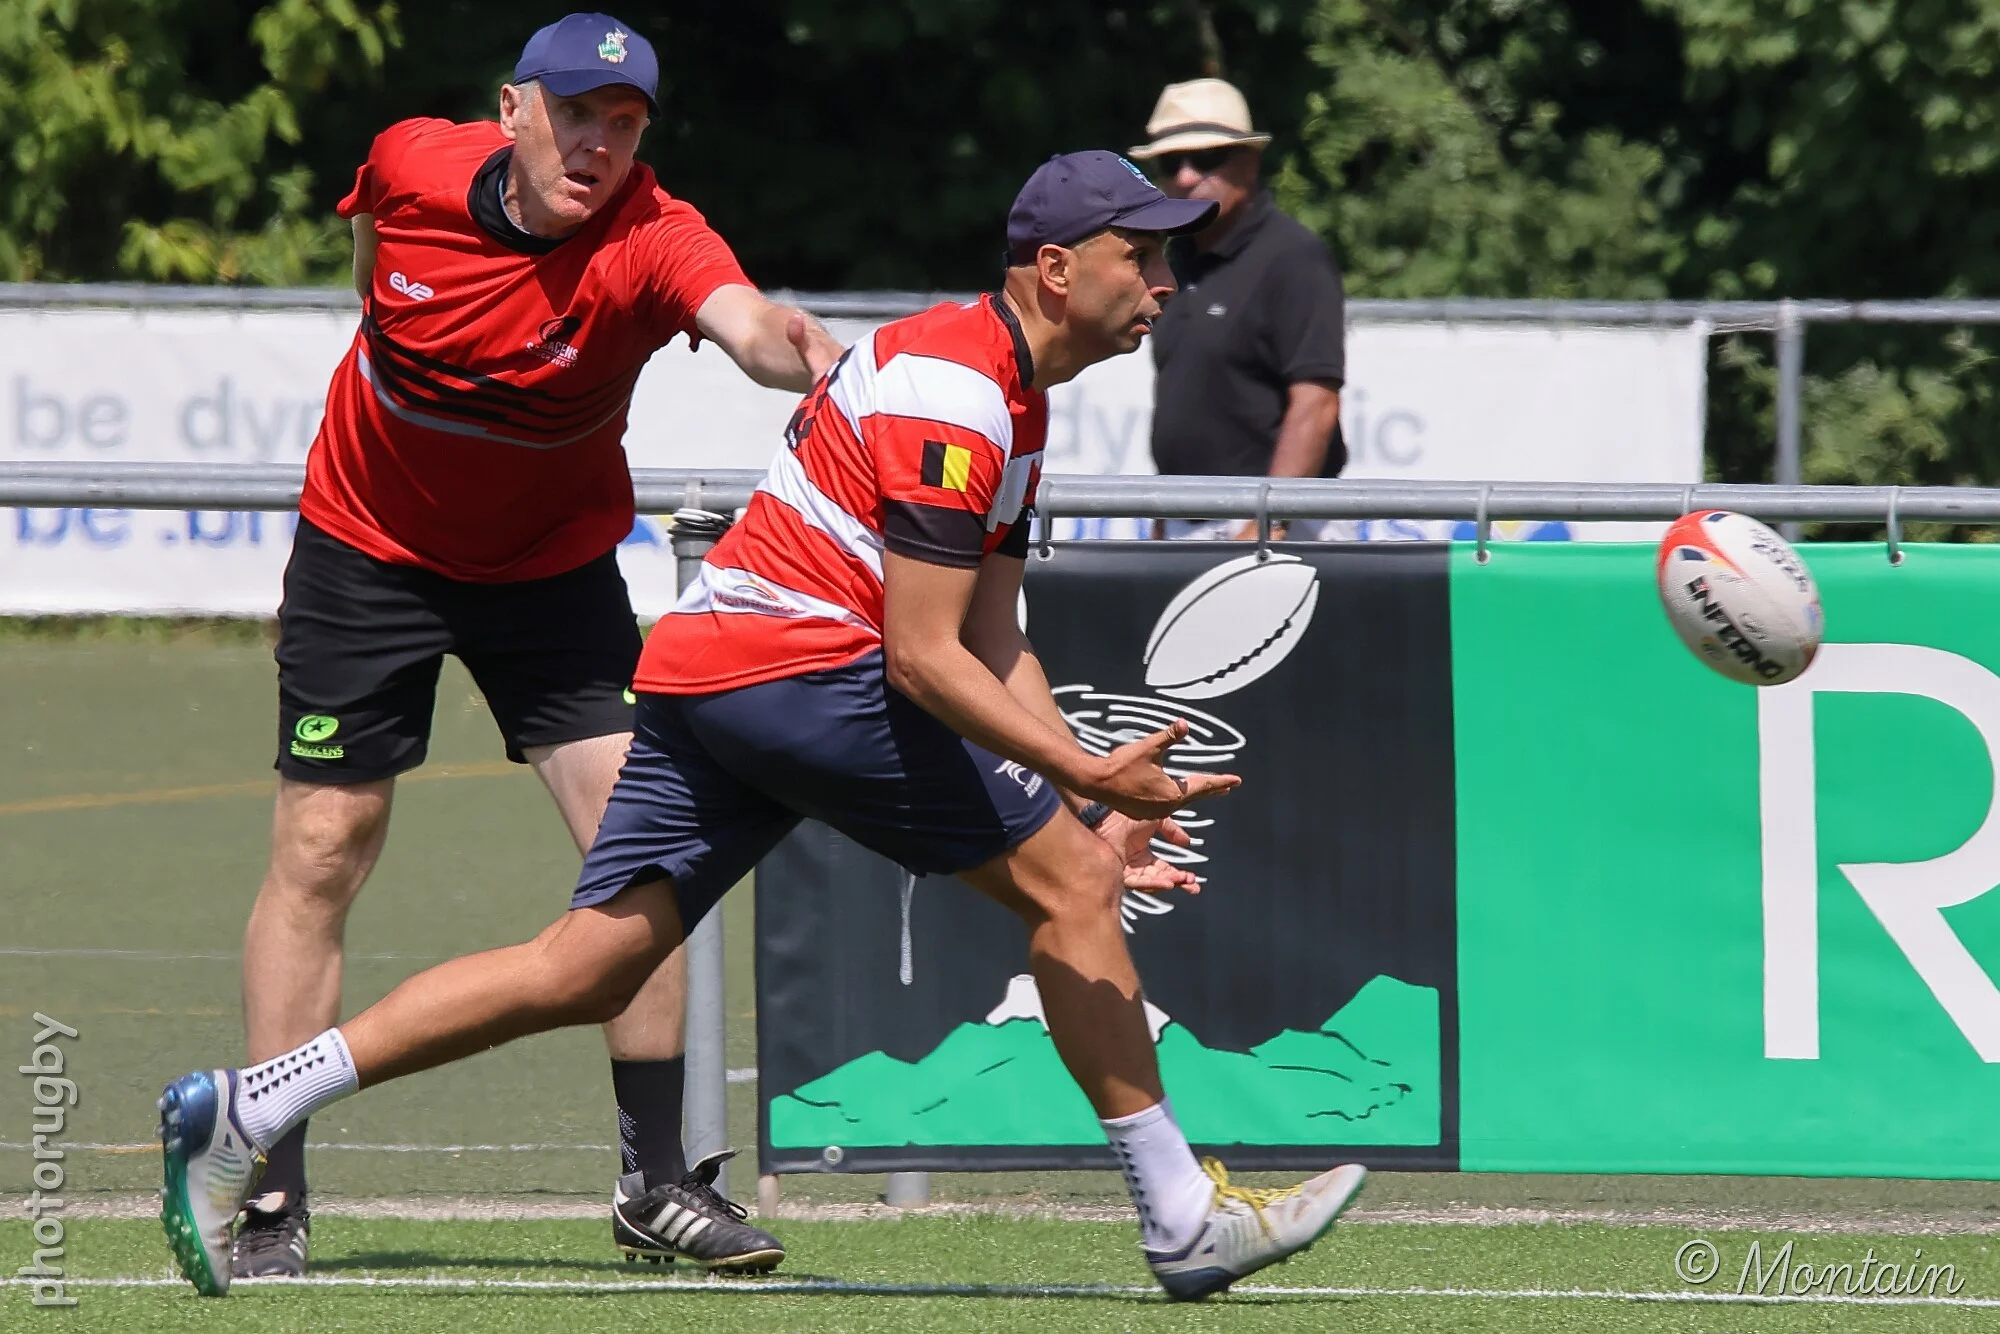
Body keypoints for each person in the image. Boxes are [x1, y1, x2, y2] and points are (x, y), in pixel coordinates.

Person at [157, 149, 1370, 1302]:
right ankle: (1177, 1215)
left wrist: (1090, 801)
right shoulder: (958, 393)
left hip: (711, 671)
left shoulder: (1006, 392)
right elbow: (924, 655)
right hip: (798, 673)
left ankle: (252, 1101)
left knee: (584, 963)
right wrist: (1077, 779)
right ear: (1056, 268)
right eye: (1139, 258)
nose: (1162, 283)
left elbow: (998, 640)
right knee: (1071, 889)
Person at [231, 11, 841, 1279]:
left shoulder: (653, 237)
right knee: (321, 847)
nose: (599, 143)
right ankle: (271, 1189)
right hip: (365, 547)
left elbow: (741, 321)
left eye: (624, 125)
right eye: (576, 115)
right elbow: (369, 267)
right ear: (513, 110)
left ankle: (655, 1181)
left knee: (645, 843)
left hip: (550, 569)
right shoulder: (408, 165)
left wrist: (812, 356)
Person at [1128, 79, 1348, 540]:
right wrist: (1164, 522)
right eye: (1171, 162)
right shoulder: (1175, 260)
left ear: (1249, 161)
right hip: (1189, 527)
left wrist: (1268, 522)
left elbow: (1316, 402)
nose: (1186, 176)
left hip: (1270, 529)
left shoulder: (1292, 257)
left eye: (1205, 159)